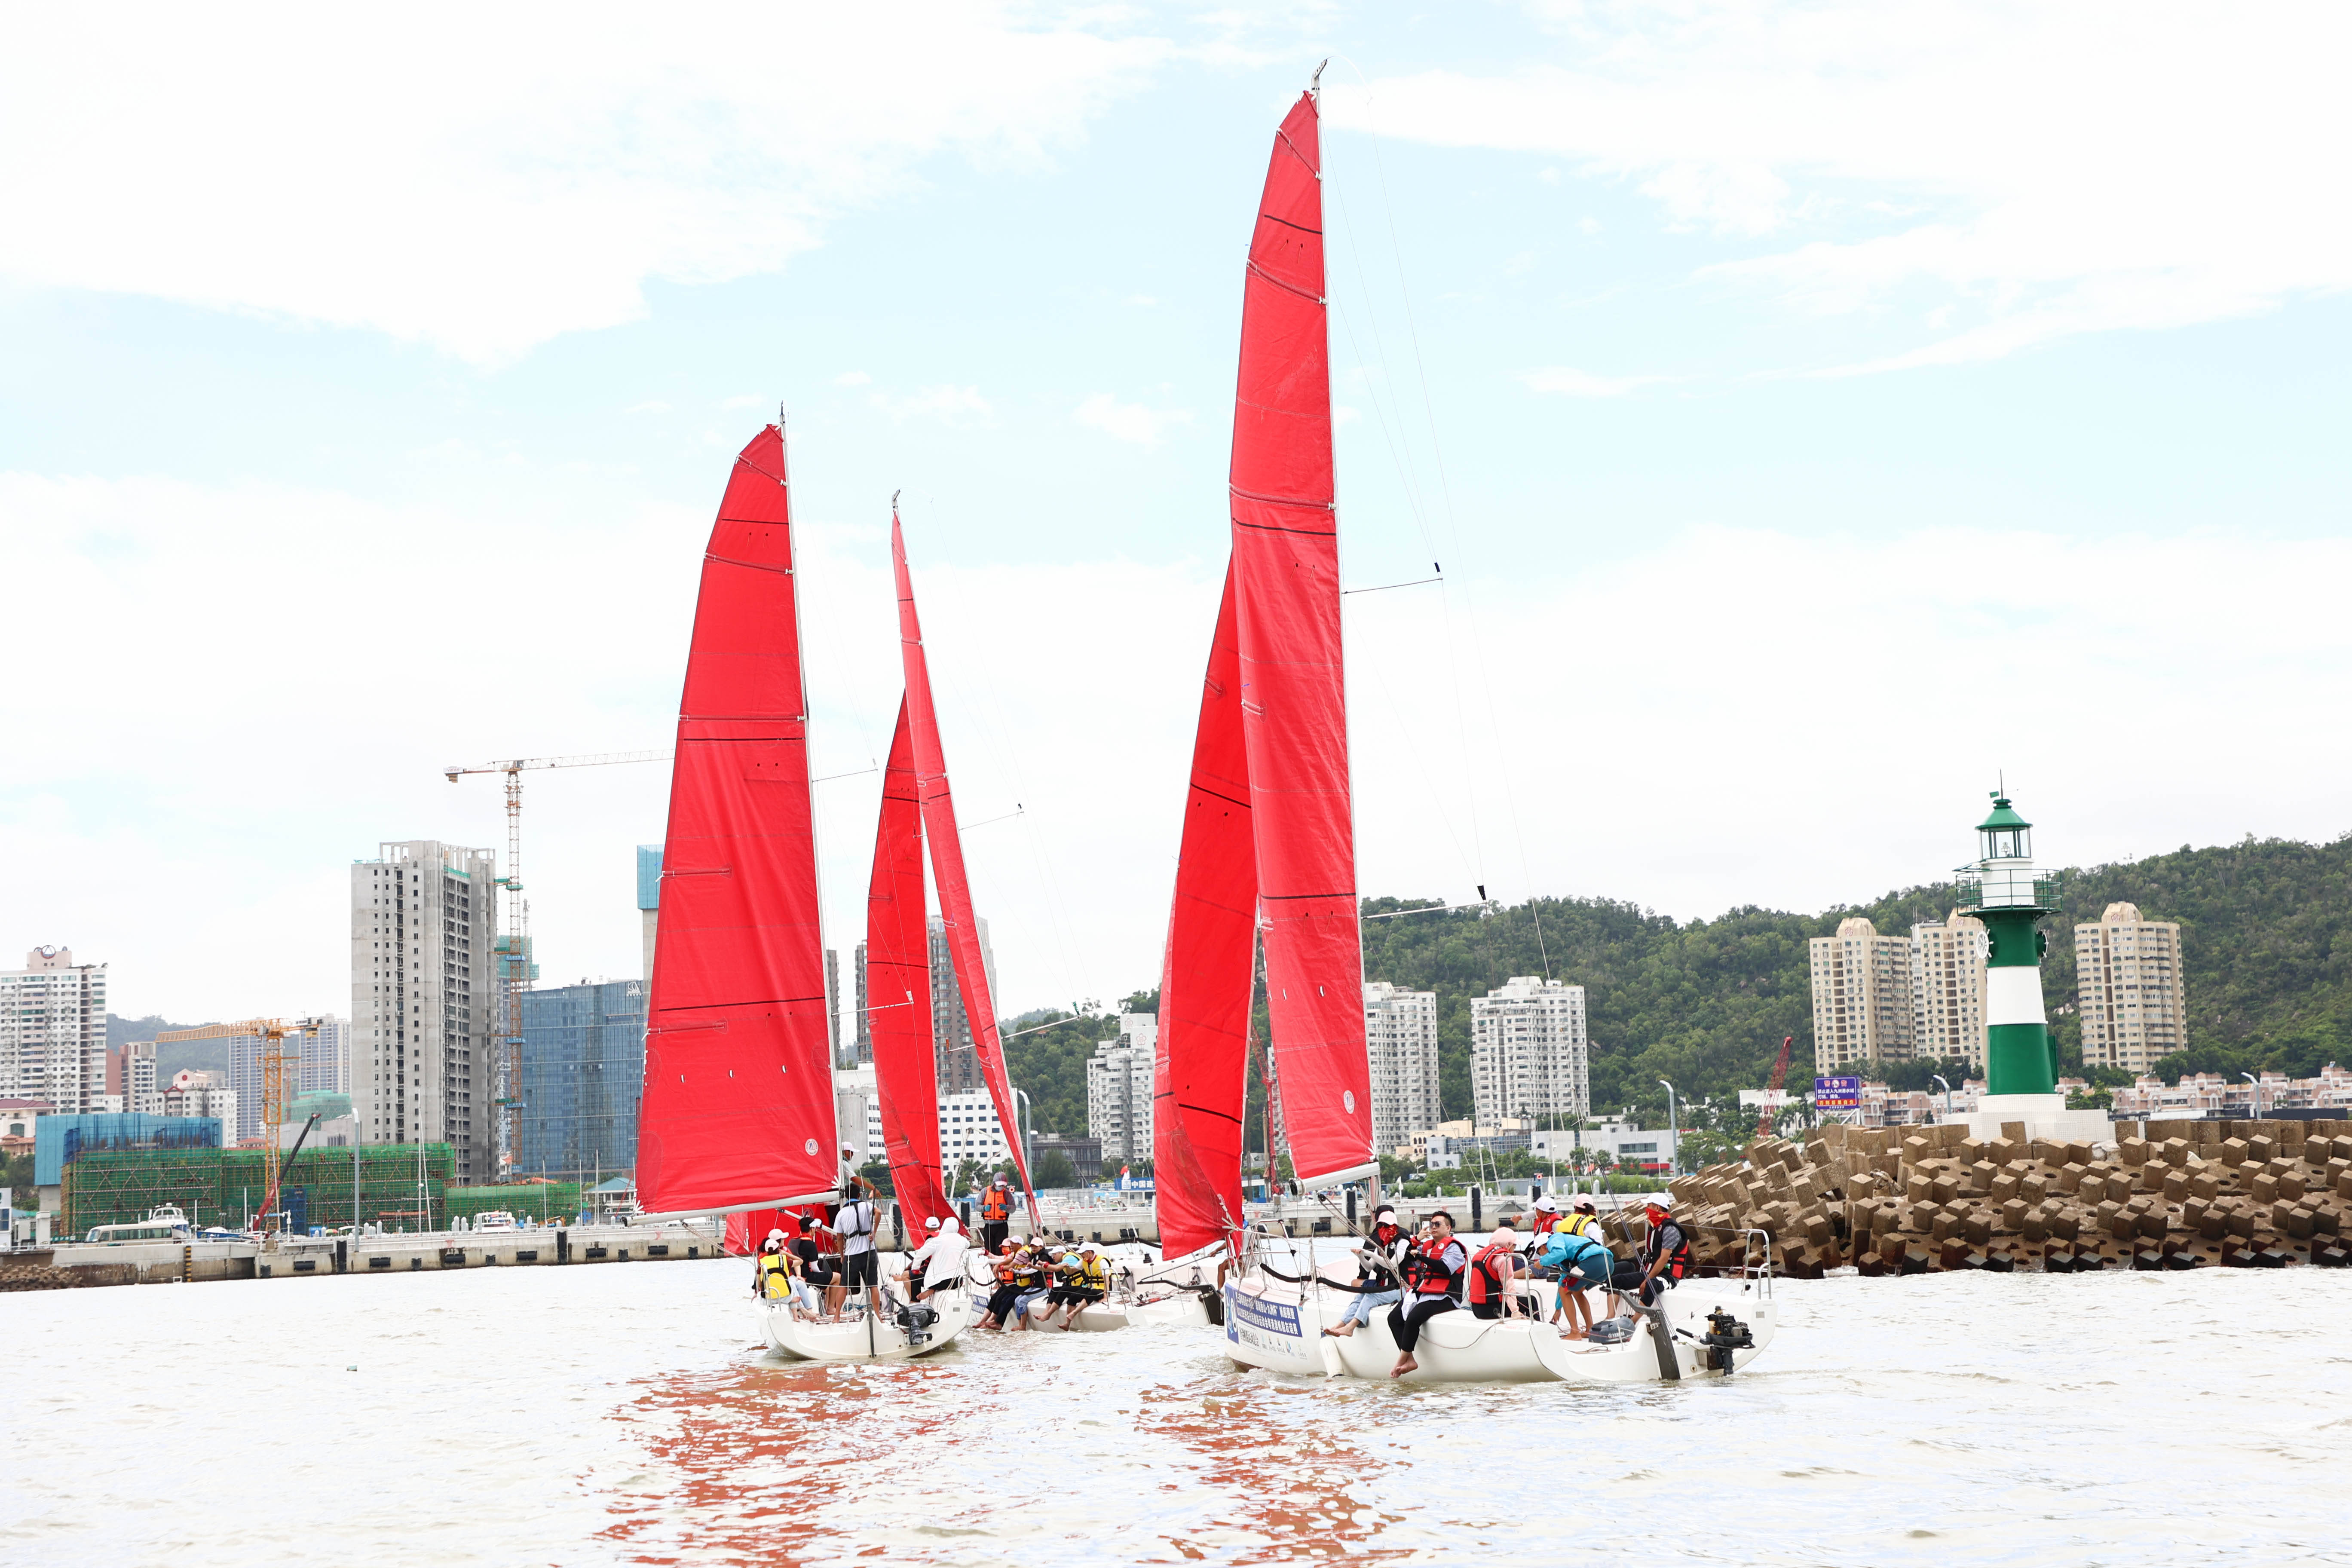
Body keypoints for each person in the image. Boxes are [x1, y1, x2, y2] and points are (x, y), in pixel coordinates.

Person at [1386, 1210, 1468, 1377]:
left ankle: (1400, 1361)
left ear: (1448, 1228)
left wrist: (1422, 1258)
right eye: (1432, 1225)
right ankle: (1411, 1360)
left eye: (1438, 1225)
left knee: (1414, 1318)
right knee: (1394, 1318)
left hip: (1446, 1296)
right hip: (1424, 1292)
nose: (1433, 1228)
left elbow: (1445, 1269)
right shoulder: (1427, 1246)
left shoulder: (1454, 1248)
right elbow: (1408, 1257)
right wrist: (1416, 1240)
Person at [1324, 1204, 1409, 1338]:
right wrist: (1361, 1256)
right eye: (1380, 1226)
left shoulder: (1403, 1241)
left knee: (1371, 1296)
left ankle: (1351, 1327)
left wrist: (1373, 1255)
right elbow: (1369, 1267)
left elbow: (1392, 1265)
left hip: (1400, 1289)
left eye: (1386, 1226)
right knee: (1361, 1296)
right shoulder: (1381, 1244)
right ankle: (1339, 1325)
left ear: (1394, 1226)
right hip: (1384, 1287)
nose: (1383, 1229)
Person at [1542, 1219, 1616, 1338]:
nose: (1544, 1256)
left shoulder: (1554, 1240)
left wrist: (1542, 1262)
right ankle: (1589, 1330)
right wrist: (1558, 1309)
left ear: (1543, 1247)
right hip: (1608, 1264)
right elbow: (1563, 1282)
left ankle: (1575, 1333)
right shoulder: (1565, 1257)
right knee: (1575, 1290)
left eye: (1541, 1253)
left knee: (1565, 1290)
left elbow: (1559, 1254)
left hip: (1594, 1261)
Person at [1615, 1201, 1693, 1308]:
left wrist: (1647, 1280)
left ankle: (1633, 1321)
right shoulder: (1654, 1227)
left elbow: (1664, 1259)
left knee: (1651, 1285)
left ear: (1657, 1207)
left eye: (1649, 1206)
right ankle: (1611, 1317)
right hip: (1649, 1273)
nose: (1647, 1209)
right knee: (1616, 1281)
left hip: (1668, 1276)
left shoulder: (1670, 1230)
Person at [832, 1178, 879, 1318]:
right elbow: (878, 1213)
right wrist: (874, 1233)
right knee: (873, 1286)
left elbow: (840, 1239)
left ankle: (836, 1317)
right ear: (859, 1195)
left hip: (852, 1255)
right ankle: (878, 1316)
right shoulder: (866, 1206)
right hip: (869, 1252)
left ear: (846, 1196)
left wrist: (842, 1255)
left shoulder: (841, 1214)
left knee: (844, 1286)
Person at [1039, 1242, 1112, 1328]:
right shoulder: (1083, 1261)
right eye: (1081, 1254)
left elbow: (1107, 1280)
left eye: (1083, 1253)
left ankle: (1074, 1313)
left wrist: (1106, 1296)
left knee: (1092, 1293)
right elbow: (1071, 1271)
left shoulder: (1102, 1261)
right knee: (1073, 1298)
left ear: (1090, 1252)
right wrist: (1067, 1267)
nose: (1082, 1255)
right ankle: (1067, 1324)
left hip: (1101, 1289)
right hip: (1090, 1287)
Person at [1467, 1221, 1528, 1320]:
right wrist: (1515, 1311)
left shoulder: (1481, 1254)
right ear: (1508, 1244)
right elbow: (1508, 1285)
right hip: (1491, 1309)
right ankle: (1539, 1332)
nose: (1514, 1250)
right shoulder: (1504, 1258)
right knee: (1531, 1301)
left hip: (1476, 1308)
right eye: (1514, 1246)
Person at [903, 1213, 968, 1303]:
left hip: (941, 1282)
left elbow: (920, 1255)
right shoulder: (962, 1240)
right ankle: (931, 1290)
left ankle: (915, 1302)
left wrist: (915, 1269)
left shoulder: (938, 1241)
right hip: (958, 1282)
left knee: (914, 1277)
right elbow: (968, 1244)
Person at [979, 1175, 1014, 1255]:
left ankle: (1000, 1266)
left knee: (1001, 1251)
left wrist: (1007, 1207)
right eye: (1000, 1185)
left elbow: (1013, 1208)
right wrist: (984, 1208)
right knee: (989, 1251)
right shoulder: (985, 1192)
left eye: (1003, 1185)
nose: (1002, 1187)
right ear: (994, 1183)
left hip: (1002, 1226)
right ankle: (992, 1267)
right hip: (989, 1226)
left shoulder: (1007, 1194)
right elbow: (977, 1206)